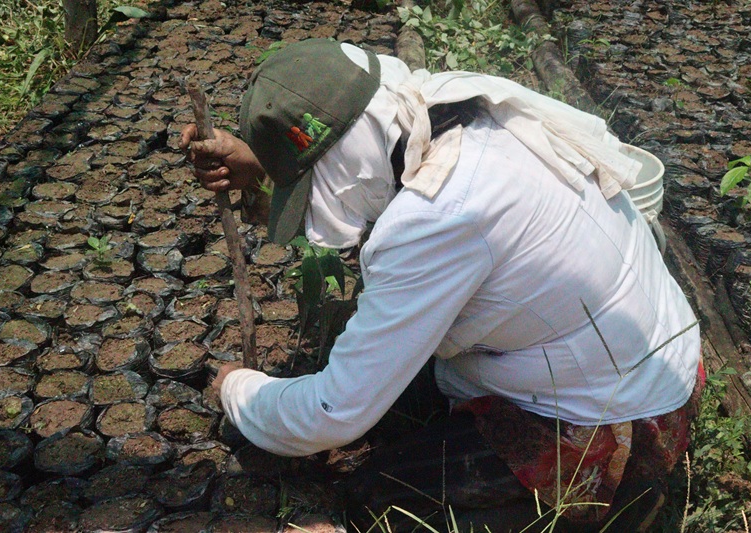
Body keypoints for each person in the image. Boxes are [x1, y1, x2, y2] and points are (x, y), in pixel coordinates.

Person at [180, 38, 703, 531]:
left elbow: (332, 413)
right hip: (651, 361)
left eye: (312, 180)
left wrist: (238, 390)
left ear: (338, 162)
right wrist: (270, 165)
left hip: (617, 424)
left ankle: (616, 508)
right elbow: (350, 163)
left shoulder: (440, 216)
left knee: (379, 499)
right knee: (396, 398)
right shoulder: (453, 105)